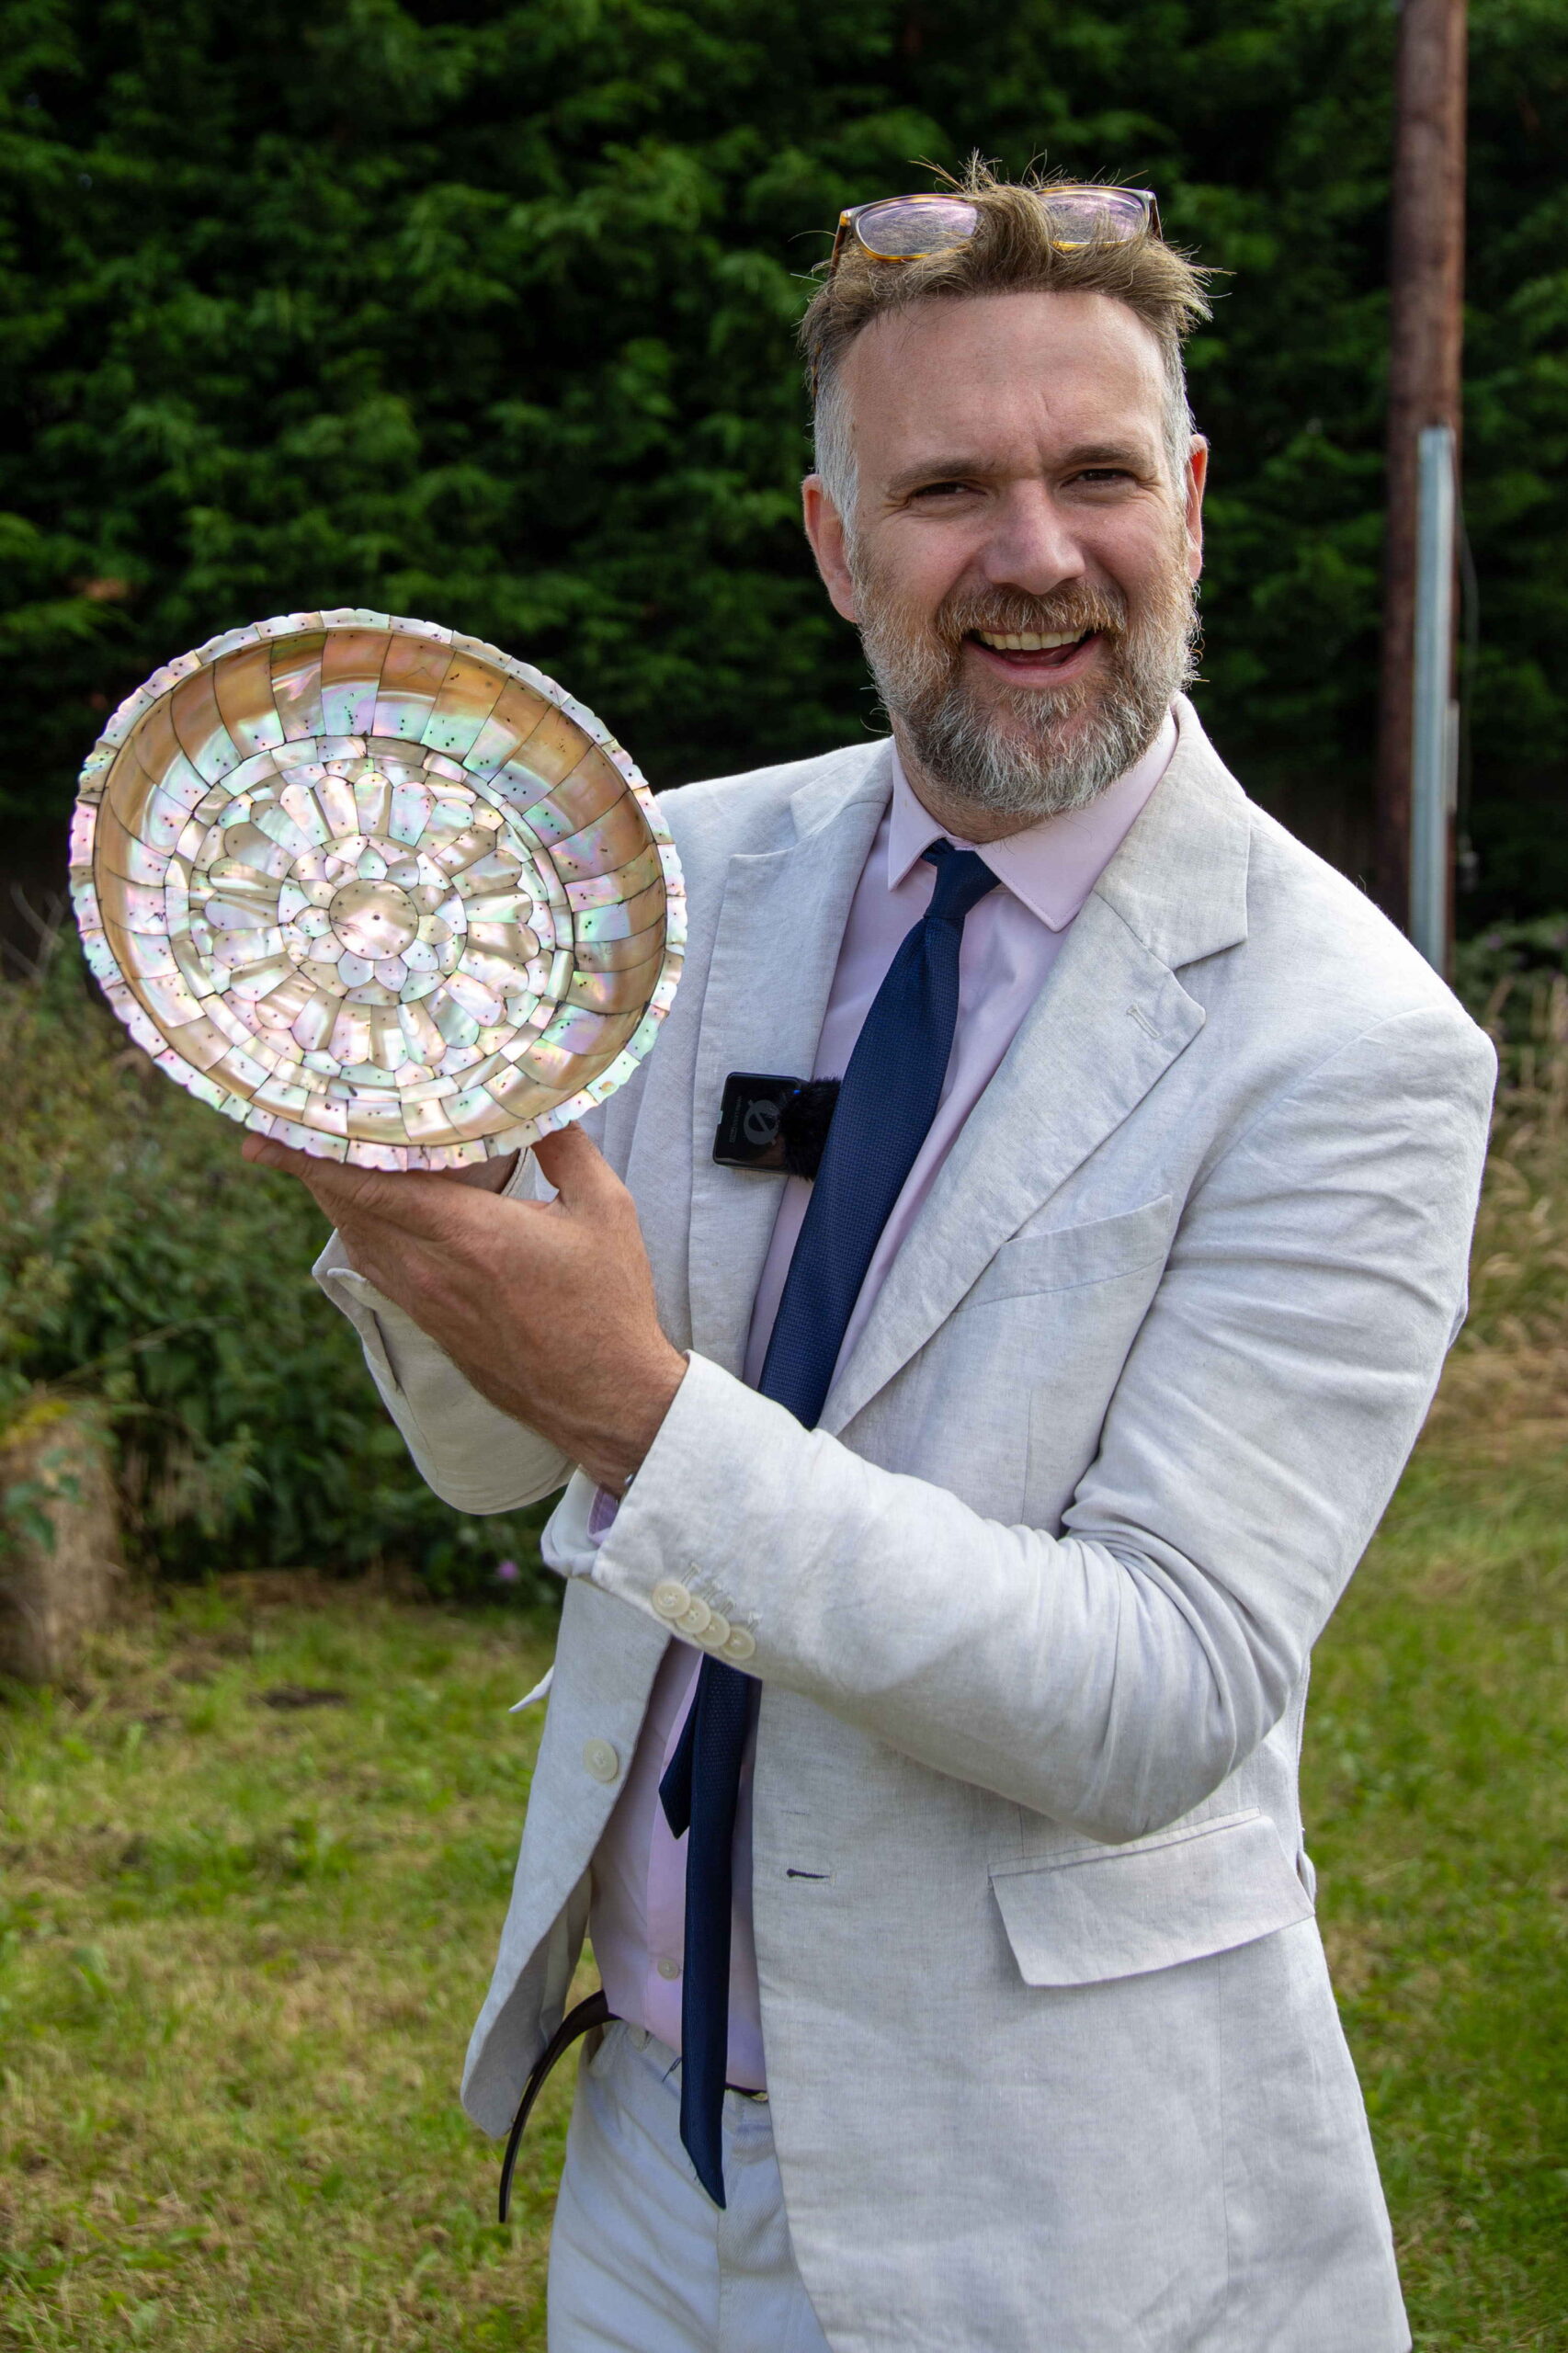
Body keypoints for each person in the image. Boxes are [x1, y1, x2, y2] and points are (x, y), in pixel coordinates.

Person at [249, 167, 1494, 2351]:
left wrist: (638, 1404)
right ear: (836, 545)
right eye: (944, 489)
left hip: (1033, 2201)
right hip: (645, 2140)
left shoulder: (1351, 1041)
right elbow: (479, 1453)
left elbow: (1153, 1695)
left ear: (1187, 502)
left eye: (1095, 473)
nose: (1034, 555)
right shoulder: (681, 878)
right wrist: (397, 1202)